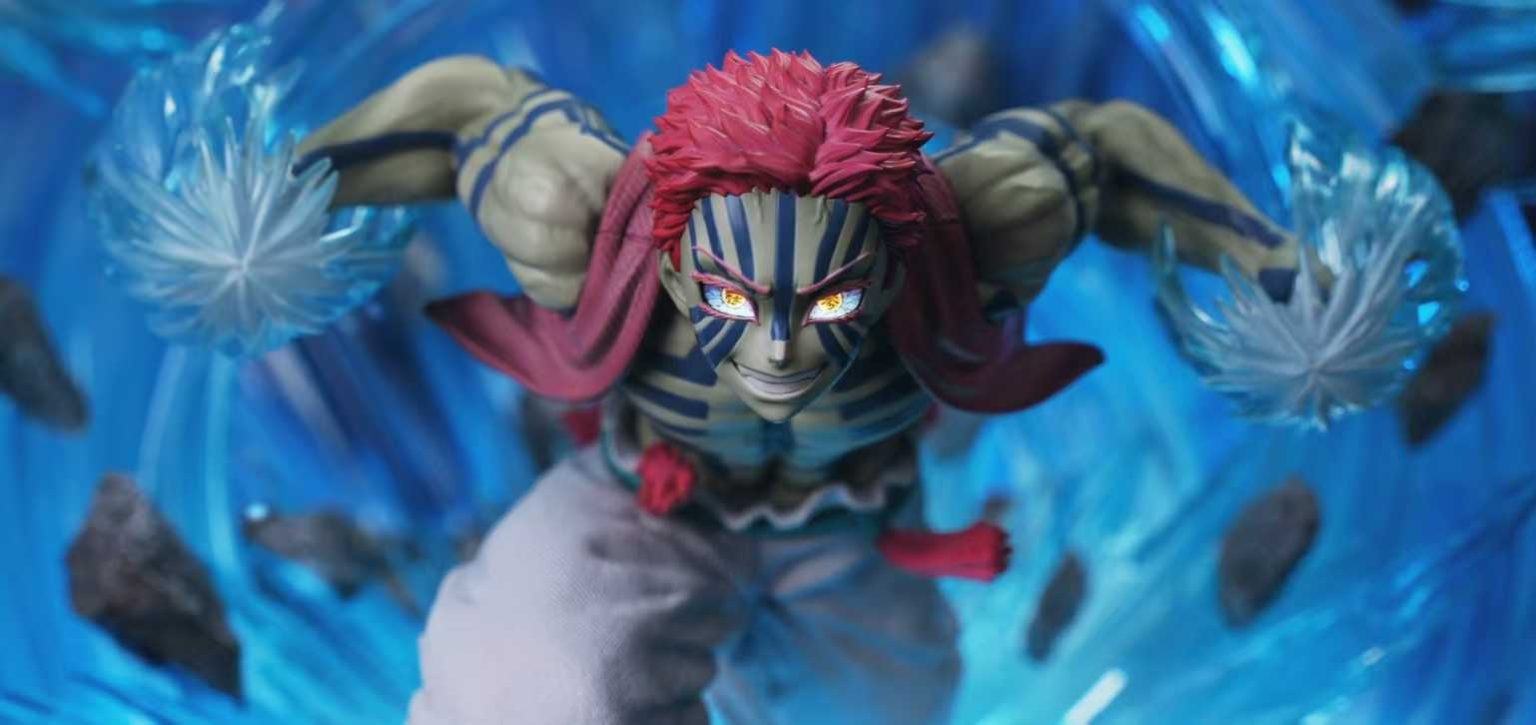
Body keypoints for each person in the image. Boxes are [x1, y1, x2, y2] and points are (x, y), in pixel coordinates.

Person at [297, 49, 1302, 724]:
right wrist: (283, 193)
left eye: (828, 303)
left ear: (891, 269)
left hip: (856, 536)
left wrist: (1276, 265)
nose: (778, 354)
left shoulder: (973, 231)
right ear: (675, 264)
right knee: (539, 689)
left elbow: (1108, 155)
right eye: (733, 300)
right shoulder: (582, 215)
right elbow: (467, 114)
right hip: (645, 499)